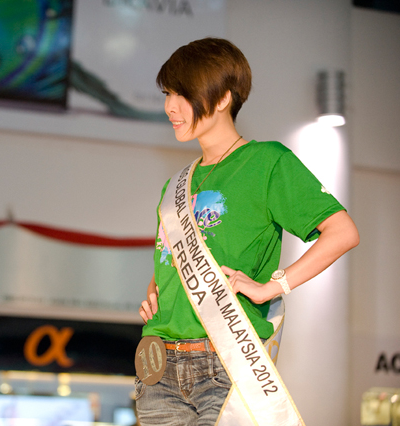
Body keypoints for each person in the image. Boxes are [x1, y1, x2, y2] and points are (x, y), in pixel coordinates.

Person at [136, 38, 359, 425]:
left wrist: (273, 286)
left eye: (182, 94)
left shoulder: (267, 162)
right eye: (167, 93)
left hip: (225, 364)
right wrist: (154, 295)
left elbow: (342, 232)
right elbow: (169, 262)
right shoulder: (174, 186)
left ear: (223, 98)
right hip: (159, 369)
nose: (171, 106)